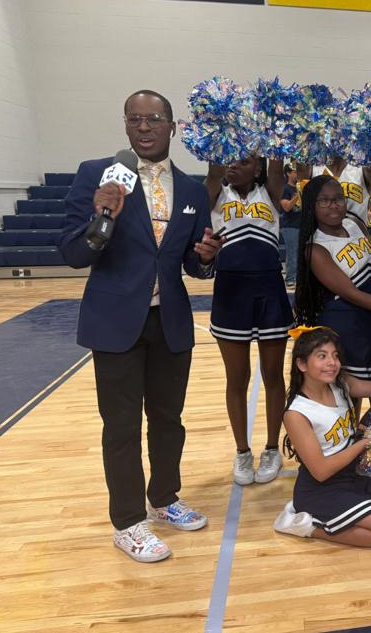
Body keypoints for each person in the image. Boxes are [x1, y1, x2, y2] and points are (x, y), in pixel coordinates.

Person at [57, 90, 220, 563]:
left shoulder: (191, 190)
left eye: (154, 119)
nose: (144, 127)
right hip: (115, 323)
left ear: (173, 127)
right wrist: (100, 217)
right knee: (122, 427)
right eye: (135, 119)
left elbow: (191, 263)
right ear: (125, 126)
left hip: (169, 322)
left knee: (169, 421)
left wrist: (205, 259)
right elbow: (73, 254)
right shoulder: (96, 176)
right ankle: (128, 522)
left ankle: (164, 498)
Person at [272, 326, 371, 546]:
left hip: (350, 476)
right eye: (322, 356)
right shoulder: (297, 413)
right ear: (301, 364)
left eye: (335, 356)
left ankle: (348, 515)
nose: (332, 362)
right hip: (320, 488)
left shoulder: (341, 384)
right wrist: (366, 441)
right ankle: (303, 526)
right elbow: (321, 471)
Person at [204, 154, 290, 486]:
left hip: (270, 288)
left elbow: (277, 162)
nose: (231, 166)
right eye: (228, 161)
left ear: (257, 168)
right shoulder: (216, 192)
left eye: (241, 162)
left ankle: (271, 447)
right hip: (230, 290)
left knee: (272, 375)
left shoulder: (269, 192)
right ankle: (242, 451)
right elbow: (214, 169)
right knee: (236, 378)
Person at [294, 175, 371, 411]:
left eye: (338, 198)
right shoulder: (316, 248)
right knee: (348, 403)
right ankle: (351, 445)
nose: (334, 205)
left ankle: (370, 445)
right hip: (345, 327)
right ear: (312, 206)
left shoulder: (353, 223)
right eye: (324, 201)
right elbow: (353, 294)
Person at [297, 155, 371, 229]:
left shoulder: (362, 169)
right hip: (321, 241)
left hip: (356, 241)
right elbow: (300, 152)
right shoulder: (313, 168)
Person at [280, 164, 302, 287]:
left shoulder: (300, 187)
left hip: (300, 224)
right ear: (288, 173)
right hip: (289, 225)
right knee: (292, 252)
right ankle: (290, 278)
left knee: (300, 253)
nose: (297, 173)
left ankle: (299, 277)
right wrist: (299, 194)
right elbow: (287, 207)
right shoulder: (285, 189)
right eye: (295, 171)